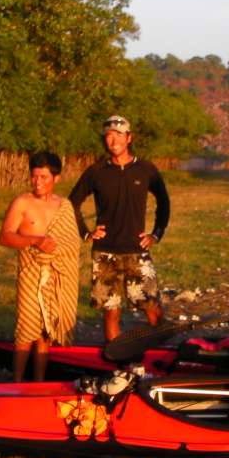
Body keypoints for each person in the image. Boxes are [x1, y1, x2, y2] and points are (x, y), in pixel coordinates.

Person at [68, 115, 170, 341]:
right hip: (105, 253)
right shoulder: (96, 172)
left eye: (119, 135)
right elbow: (71, 203)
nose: (113, 141)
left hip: (137, 250)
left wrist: (156, 234)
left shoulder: (146, 169)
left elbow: (164, 202)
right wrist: (86, 232)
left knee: (151, 307)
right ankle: (116, 360)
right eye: (109, 136)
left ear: (129, 138)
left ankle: (160, 355)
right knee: (111, 313)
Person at [0, 152, 80, 381]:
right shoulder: (22, 202)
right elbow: (5, 237)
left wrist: (57, 251)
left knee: (46, 333)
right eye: (34, 177)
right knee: (26, 330)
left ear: (56, 178)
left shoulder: (64, 206)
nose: (38, 182)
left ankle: (39, 383)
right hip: (30, 274)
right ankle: (16, 381)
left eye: (44, 177)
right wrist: (35, 241)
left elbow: (72, 244)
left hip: (56, 277)